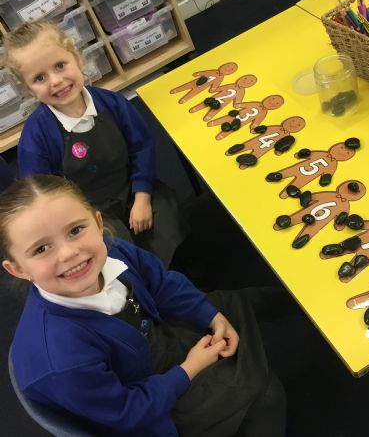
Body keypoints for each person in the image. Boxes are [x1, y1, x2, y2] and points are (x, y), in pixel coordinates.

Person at [0, 175, 286, 436]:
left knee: (247, 301)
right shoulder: (62, 357)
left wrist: (212, 316)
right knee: (266, 395)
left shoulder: (112, 250)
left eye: (75, 230)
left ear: (98, 224)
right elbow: (128, 412)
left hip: (155, 337)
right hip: (152, 405)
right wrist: (189, 370)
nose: (68, 253)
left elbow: (161, 283)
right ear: (18, 269)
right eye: (41, 249)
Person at [2, 21, 188, 269]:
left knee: (167, 223)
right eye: (39, 78)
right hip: (86, 212)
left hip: (132, 188)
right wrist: (81, 224)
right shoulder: (35, 137)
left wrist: (142, 196)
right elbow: (43, 197)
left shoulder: (113, 103)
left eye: (60, 65)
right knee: (116, 253)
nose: (56, 81)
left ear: (76, 57)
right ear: (27, 88)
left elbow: (141, 147)